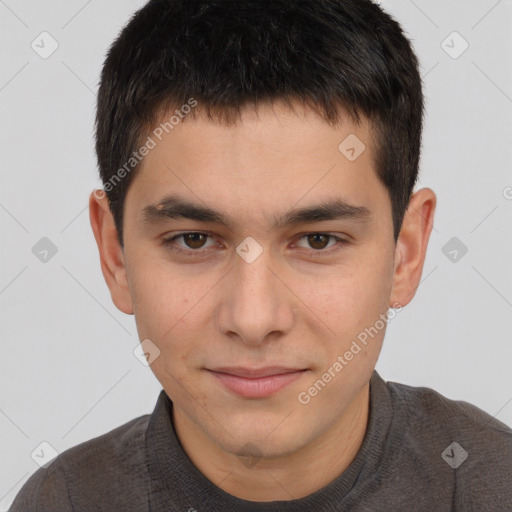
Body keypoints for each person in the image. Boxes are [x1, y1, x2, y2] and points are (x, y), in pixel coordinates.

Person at [9, 0, 512, 510]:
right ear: (115, 254)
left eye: (318, 240)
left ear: (406, 253)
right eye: (194, 240)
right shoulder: (62, 501)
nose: (252, 320)